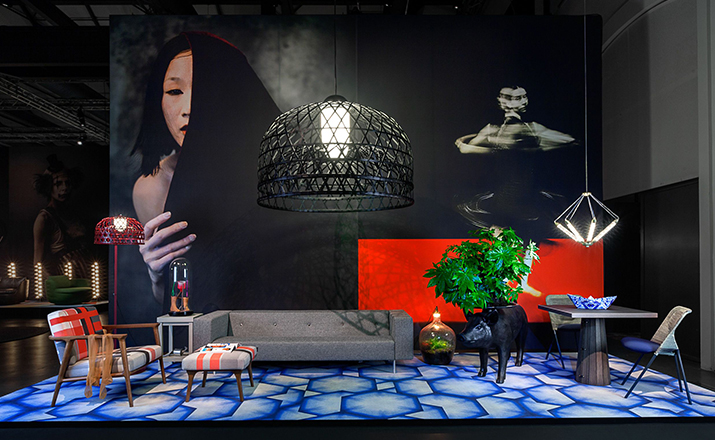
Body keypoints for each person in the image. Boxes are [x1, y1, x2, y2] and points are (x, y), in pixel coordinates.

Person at [130, 32, 281, 307]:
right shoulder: (154, 186)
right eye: (174, 92)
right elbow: (176, 303)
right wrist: (157, 275)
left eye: (203, 90)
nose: (188, 109)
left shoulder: (277, 172)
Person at [33, 154, 90, 279]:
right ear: (49, 187)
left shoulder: (75, 214)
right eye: (58, 183)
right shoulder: (44, 218)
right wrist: (52, 283)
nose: (64, 188)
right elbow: (37, 263)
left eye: (67, 183)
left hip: (87, 278)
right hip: (66, 280)